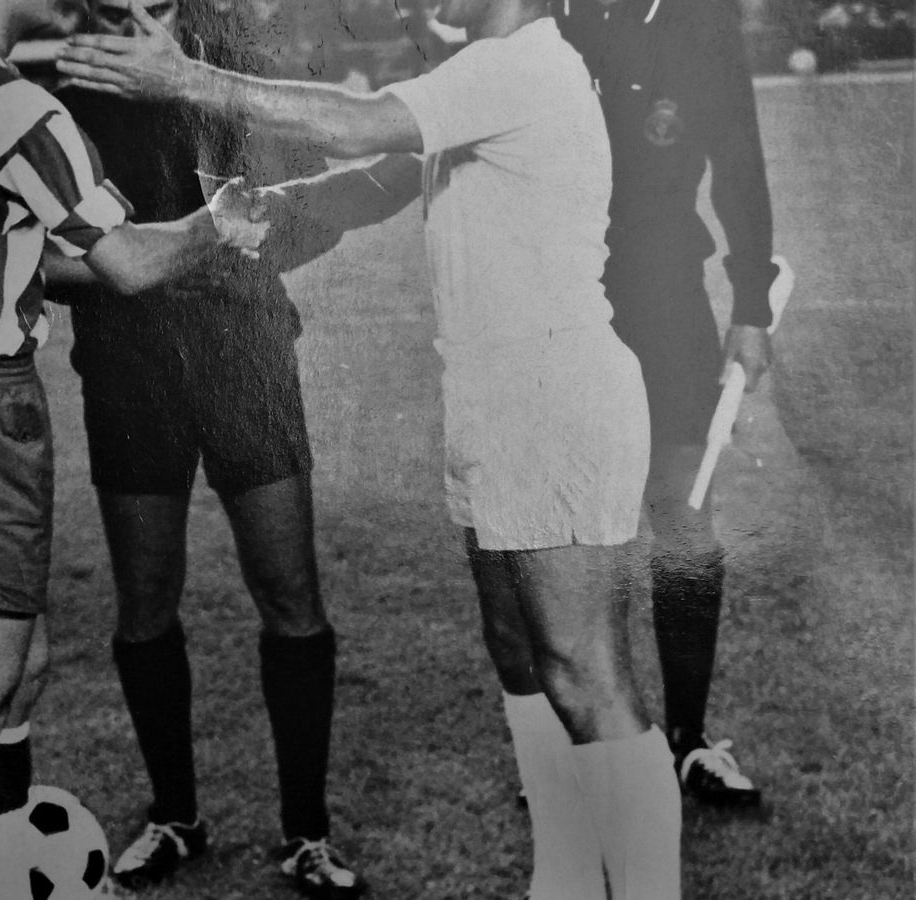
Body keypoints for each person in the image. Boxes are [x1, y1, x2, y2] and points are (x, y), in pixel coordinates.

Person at [59, 0, 683, 895]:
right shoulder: (489, 73)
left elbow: (356, 124)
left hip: (553, 390)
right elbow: (387, 176)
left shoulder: (516, 64)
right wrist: (282, 202)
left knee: (587, 675)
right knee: (521, 654)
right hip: (499, 394)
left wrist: (186, 79)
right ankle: (569, 881)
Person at [0, 1, 262, 896]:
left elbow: (8, 251)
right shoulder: (11, 102)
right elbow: (130, 265)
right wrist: (220, 220)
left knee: (16, 672)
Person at [48, 1, 388, 896]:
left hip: (248, 357)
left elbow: (315, 204)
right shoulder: (72, 80)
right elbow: (49, 252)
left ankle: (307, 834)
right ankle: (174, 816)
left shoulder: (237, 55)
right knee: (145, 599)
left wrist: (251, 255)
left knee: (290, 591)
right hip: (127, 368)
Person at [553, 0, 776, 807]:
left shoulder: (702, 20)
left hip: (668, 298)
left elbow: (739, 158)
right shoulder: (553, 13)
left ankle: (688, 741)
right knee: (577, 520)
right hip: (565, 296)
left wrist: (750, 304)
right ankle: (594, 735)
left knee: (684, 516)